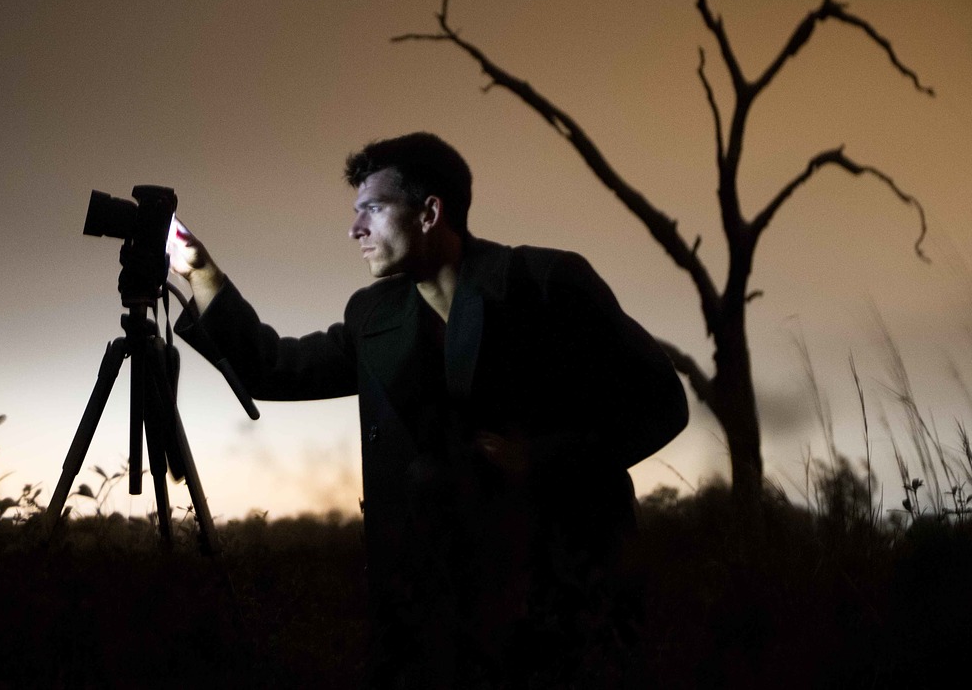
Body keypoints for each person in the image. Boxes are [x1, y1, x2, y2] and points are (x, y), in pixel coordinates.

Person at [170, 132, 687, 686]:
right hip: (429, 616)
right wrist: (202, 272)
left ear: (429, 212)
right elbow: (275, 367)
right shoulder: (373, 315)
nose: (355, 230)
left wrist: (539, 460)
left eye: (372, 209)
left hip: (565, 594)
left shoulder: (546, 284)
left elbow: (660, 403)